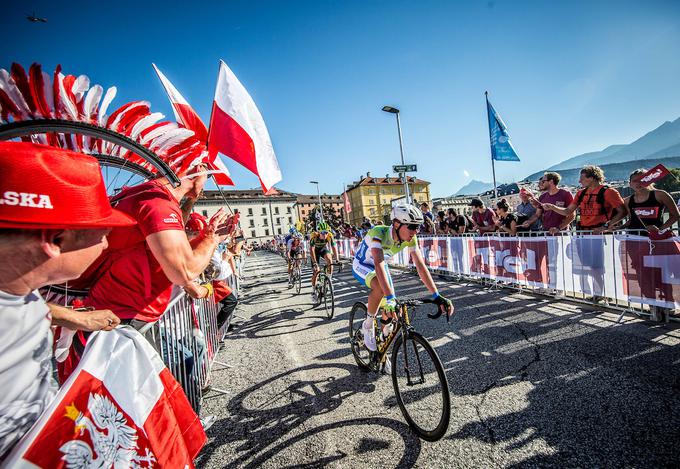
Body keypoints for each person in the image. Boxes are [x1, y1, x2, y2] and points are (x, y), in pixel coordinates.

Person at [0, 142, 136, 458]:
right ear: (56, 240)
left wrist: (73, 317)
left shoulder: (19, 284)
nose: (105, 245)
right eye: (101, 232)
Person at [60, 160, 237, 380]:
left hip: (121, 312)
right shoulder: (157, 200)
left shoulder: (150, 194)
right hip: (122, 318)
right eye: (209, 177)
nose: (207, 185)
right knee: (168, 383)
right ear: (198, 168)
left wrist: (195, 215)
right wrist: (212, 238)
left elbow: (170, 233)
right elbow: (184, 270)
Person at [352, 204, 454, 352]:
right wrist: (390, 297)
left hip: (380, 265)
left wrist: (436, 295)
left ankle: (382, 346)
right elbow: (378, 263)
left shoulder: (411, 238)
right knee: (383, 291)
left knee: (392, 312)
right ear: (397, 224)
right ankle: (367, 325)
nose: (415, 231)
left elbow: (420, 266)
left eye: (418, 227)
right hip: (363, 264)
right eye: (412, 226)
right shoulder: (378, 233)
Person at [542, 165, 628, 233]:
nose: (579, 181)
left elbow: (623, 211)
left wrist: (606, 226)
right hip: (583, 234)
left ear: (591, 178)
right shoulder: (581, 193)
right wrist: (552, 207)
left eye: (582, 179)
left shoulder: (609, 192)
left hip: (601, 234)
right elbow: (568, 211)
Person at [618, 169, 680, 235]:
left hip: (656, 238)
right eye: (634, 181)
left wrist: (660, 229)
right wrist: (619, 227)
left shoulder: (661, 195)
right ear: (630, 184)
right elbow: (632, 220)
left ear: (649, 180)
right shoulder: (627, 201)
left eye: (642, 180)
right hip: (633, 238)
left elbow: (676, 215)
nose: (638, 183)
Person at [309, 221, 339, 301]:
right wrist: (315, 262)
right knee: (316, 271)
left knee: (330, 260)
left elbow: (334, 247)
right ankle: (313, 290)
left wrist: (337, 259)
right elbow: (311, 249)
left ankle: (329, 280)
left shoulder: (329, 235)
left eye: (326, 232)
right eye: (323, 233)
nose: (325, 234)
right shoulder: (314, 235)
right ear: (318, 232)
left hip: (323, 249)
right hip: (315, 252)